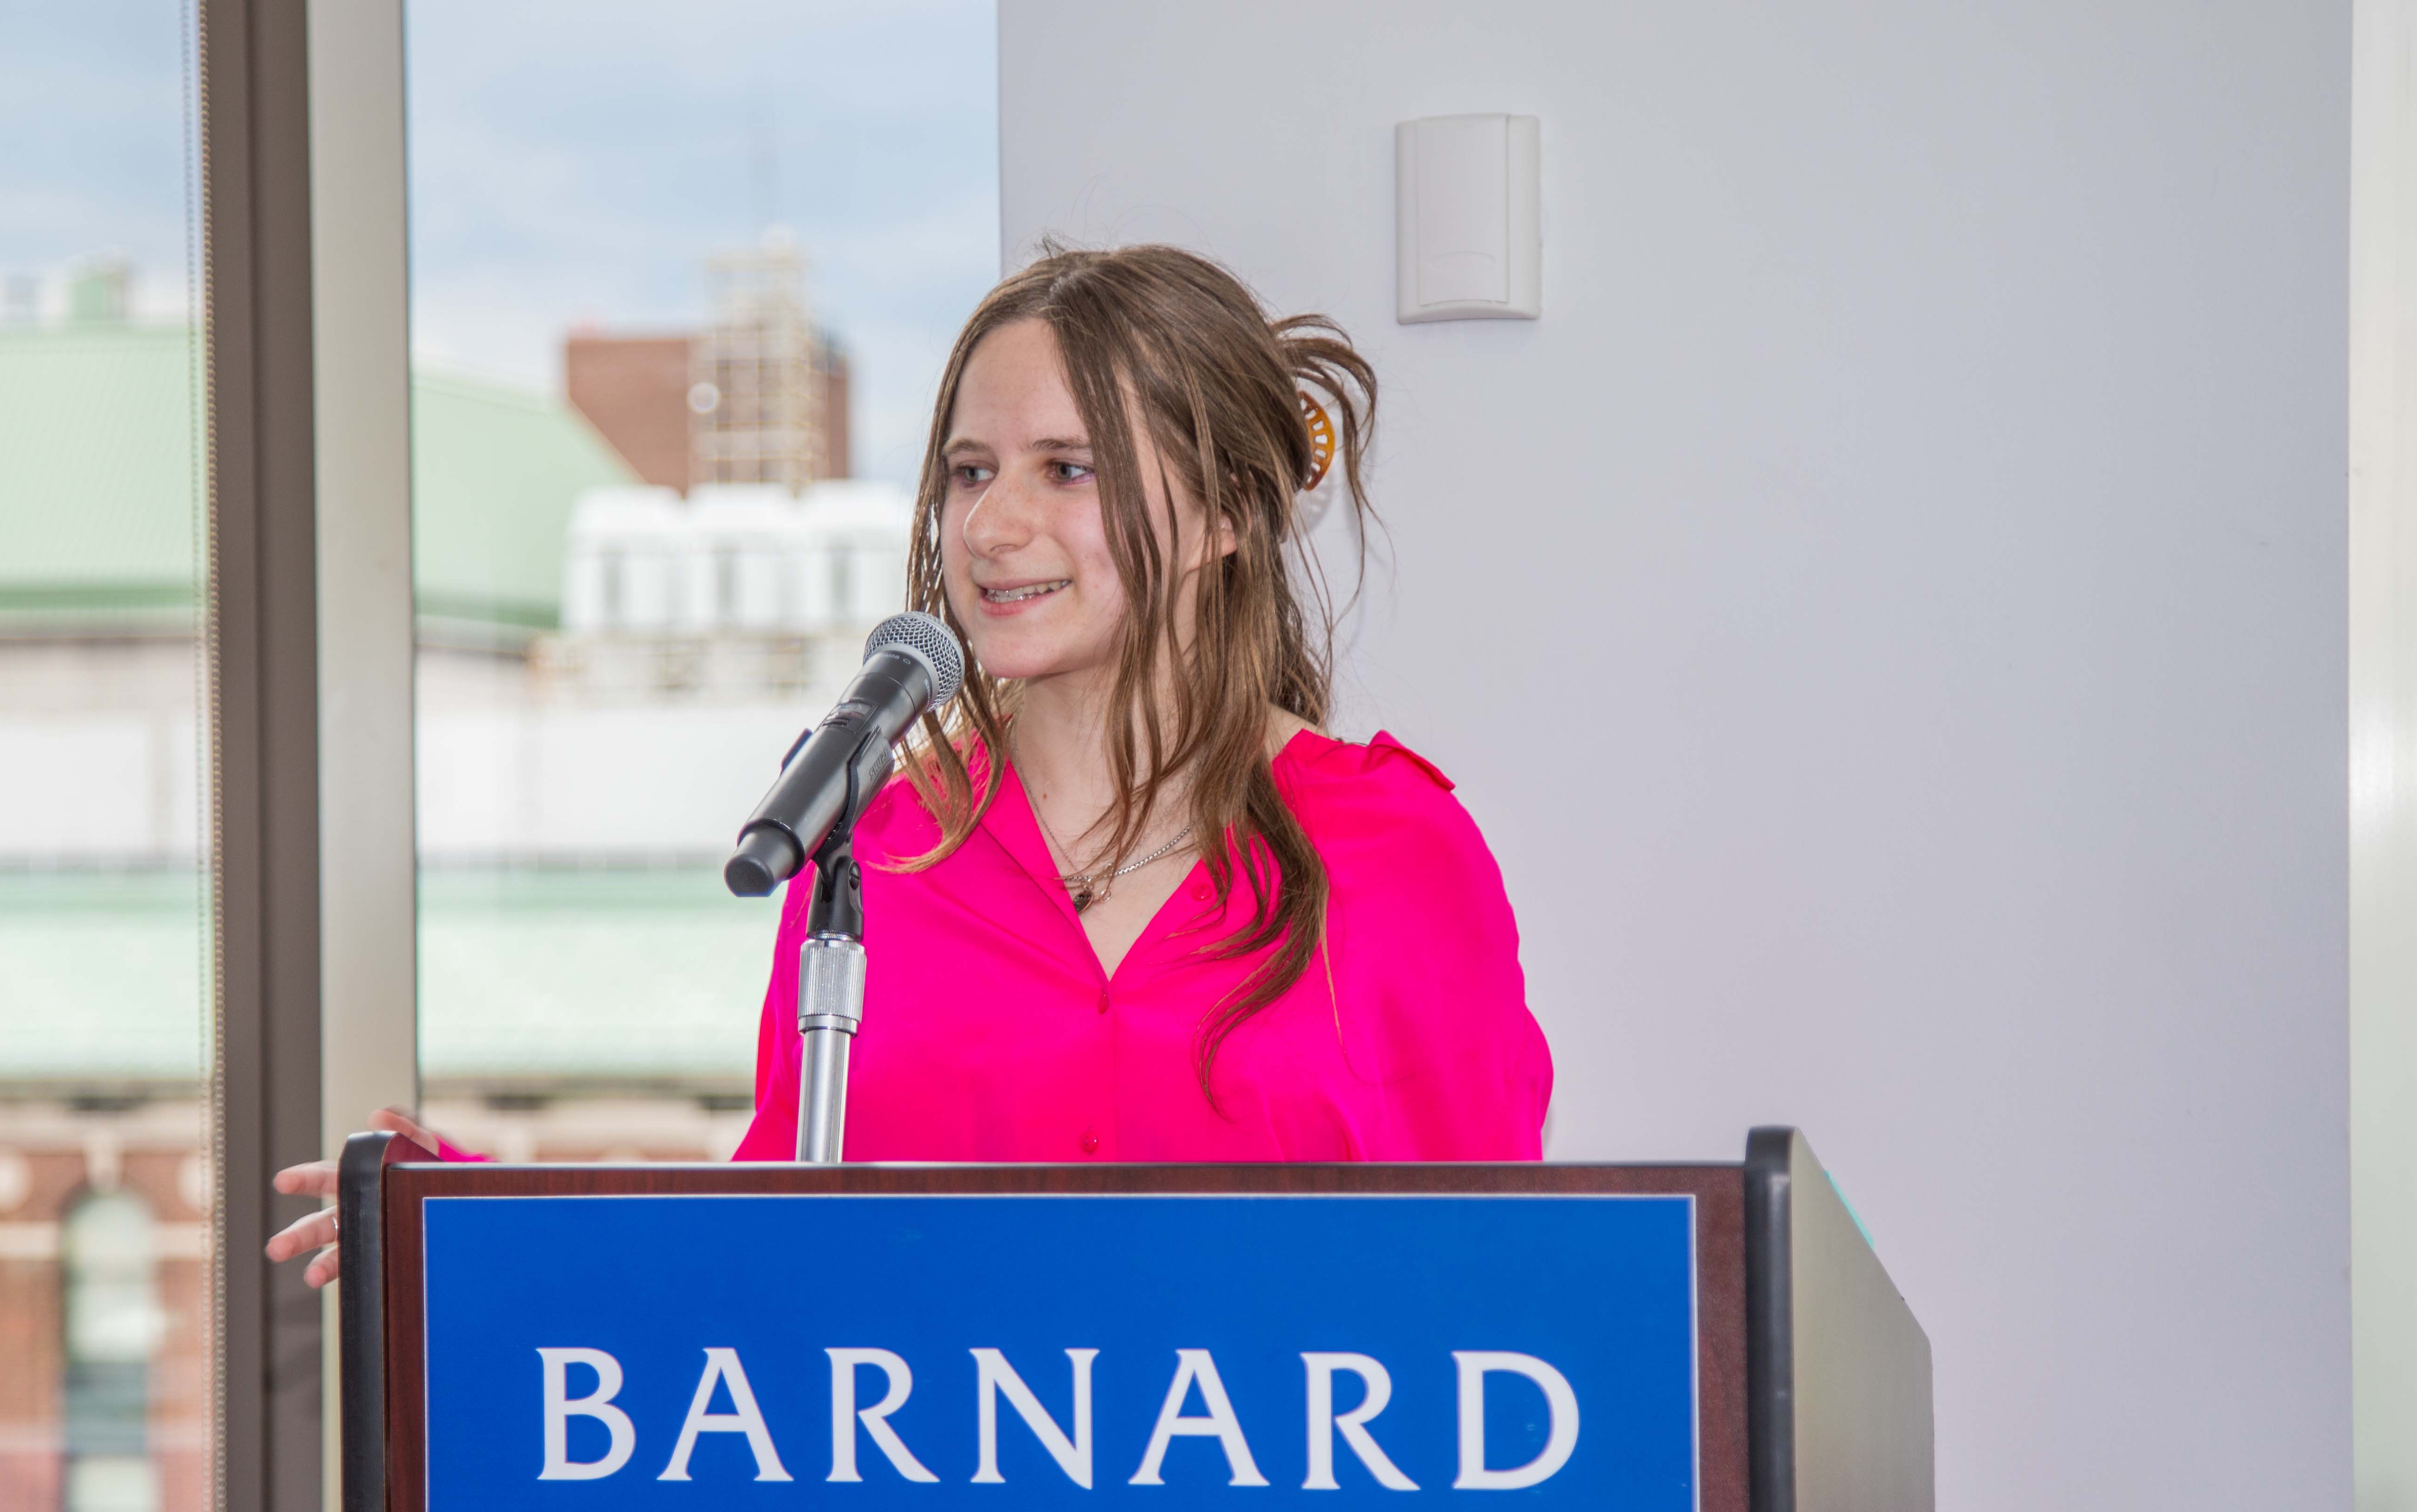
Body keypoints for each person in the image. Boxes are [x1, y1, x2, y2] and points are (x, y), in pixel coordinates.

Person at [268, 245, 1550, 1286]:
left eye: (1070, 469)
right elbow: (782, 1239)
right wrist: (466, 1226)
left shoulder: (1393, 856)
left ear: (1223, 512)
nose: (993, 527)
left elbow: (1494, 1288)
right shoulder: (872, 839)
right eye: (970, 472)